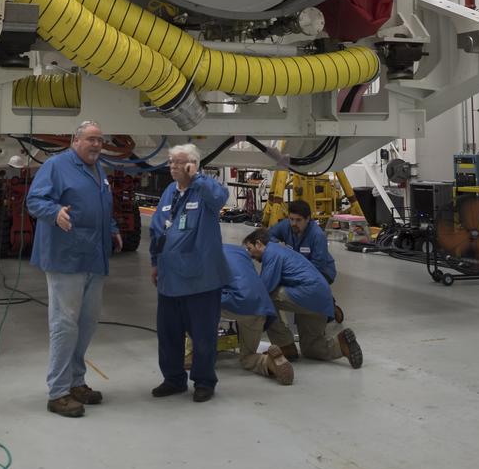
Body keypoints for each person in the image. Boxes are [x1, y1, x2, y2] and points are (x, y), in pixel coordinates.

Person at [26, 120, 123, 418]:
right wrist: (55, 212)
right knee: (65, 324)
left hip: (94, 256)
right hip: (66, 257)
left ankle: (76, 382)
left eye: (100, 140)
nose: (97, 145)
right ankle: (57, 392)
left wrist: (113, 227)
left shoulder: (98, 169)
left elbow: (100, 206)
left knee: (87, 322)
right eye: (91, 139)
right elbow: (35, 200)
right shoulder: (57, 166)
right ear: (75, 140)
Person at [150, 144, 232, 402]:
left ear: (192, 165)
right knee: (168, 333)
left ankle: (204, 381)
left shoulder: (205, 191)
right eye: (171, 162)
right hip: (169, 279)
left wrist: (197, 177)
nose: (172, 166)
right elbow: (156, 230)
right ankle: (173, 379)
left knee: (203, 335)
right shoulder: (168, 192)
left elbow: (220, 198)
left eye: (179, 162)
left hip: (201, 280)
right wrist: (155, 262)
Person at [243, 228, 362, 368]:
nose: (250, 255)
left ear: (258, 243)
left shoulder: (271, 253)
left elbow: (262, 289)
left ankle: (285, 345)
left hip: (307, 295)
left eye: (249, 249)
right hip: (322, 300)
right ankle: (341, 344)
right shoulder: (282, 251)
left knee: (266, 299)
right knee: (311, 348)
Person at [221, 243, 295, 385]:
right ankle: (270, 362)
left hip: (239, 303)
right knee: (247, 356)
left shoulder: (206, 255)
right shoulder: (241, 253)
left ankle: (194, 353)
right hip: (261, 308)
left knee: (198, 304)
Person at [269, 200, 337, 282]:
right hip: (298, 268)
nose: (294, 223)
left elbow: (317, 266)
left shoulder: (317, 235)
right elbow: (268, 234)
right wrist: (277, 244)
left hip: (321, 273)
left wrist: (293, 275)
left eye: (298, 220)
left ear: (307, 219)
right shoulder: (286, 225)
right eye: (291, 219)